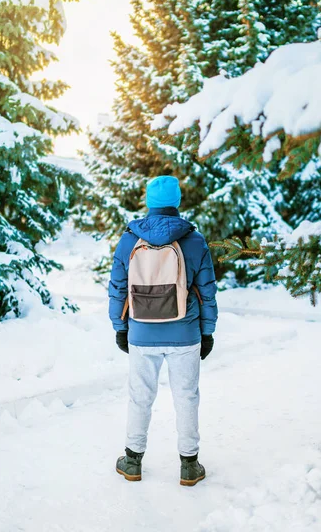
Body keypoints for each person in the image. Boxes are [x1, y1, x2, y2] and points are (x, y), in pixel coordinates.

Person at [108, 175, 218, 486]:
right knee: (186, 396)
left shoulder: (130, 240)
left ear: (149, 202)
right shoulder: (194, 241)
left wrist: (120, 327)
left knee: (140, 396)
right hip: (185, 334)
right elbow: (207, 291)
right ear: (177, 202)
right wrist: (207, 331)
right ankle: (189, 465)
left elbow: (117, 289)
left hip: (141, 332)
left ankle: (132, 460)